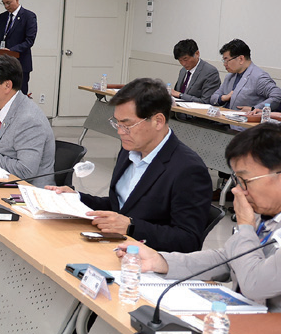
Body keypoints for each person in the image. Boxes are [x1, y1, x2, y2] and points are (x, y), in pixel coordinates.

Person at [117, 123, 281, 334]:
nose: (237, 191)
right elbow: (232, 258)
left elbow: (256, 283)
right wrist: (162, 261)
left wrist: (245, 227)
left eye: (245, 181)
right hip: (262, 329)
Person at [47, 78, 212, 253]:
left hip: (148, 258)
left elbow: (188, 240)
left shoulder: (188, 169)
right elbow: (120, 206)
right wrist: (77, 199)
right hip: (116, 247)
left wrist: (131, 227)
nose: (120, 132)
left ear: (158, 121)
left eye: (128, 125)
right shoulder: (130, 150)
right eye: (117, 123)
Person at [0, 55, 55, 184]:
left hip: (28, 190)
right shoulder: (5, 107)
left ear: (7, 85)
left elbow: (25, 171)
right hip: (5, 181)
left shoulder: (29, 119)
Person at [209, 39, 281, 111]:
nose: (224, 64)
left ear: (241, 59)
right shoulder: (230, 76)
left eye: (227, 60)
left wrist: (254, 109)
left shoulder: (259, 77)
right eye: (224, 60)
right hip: (224, 116)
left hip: (244, 118)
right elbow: (213, 98)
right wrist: (223, 98)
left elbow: (277, 96)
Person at [0, 0, 38, 94]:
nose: (6, 6)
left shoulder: (29, 16)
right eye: (3, 3)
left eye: (8, 3)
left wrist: (11, 51)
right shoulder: (3, 17)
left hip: (20, 64)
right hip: (3, 65)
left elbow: (29, 41)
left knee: (18, 96)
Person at [169, 39, 221, 103]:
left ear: (197, 54)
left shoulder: (210, 72)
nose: (183, 64)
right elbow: (176, 93)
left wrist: (180, 95)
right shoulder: (183, 71)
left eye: (185, 59)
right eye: (180, 60)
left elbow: (206, 101)